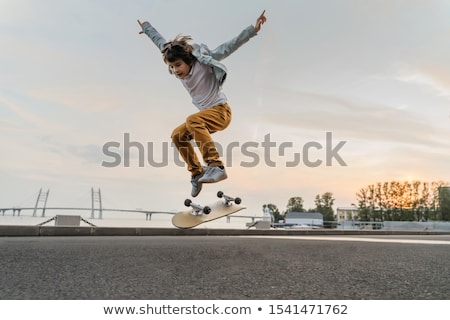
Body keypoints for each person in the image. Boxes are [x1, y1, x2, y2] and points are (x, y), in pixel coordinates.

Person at [138, 10, 267, 197]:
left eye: (178, 66)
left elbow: (228, 47)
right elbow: (160, 42)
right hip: (204, 120)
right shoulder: (175, 63)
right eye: (172, 67)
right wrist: (147, 28)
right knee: (177, 136)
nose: (176, 71)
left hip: (221, 112)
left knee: (192, 120)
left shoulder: (203, 63)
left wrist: (253, 30)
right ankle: (197, 172)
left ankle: (216, 166)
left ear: (188, 61)